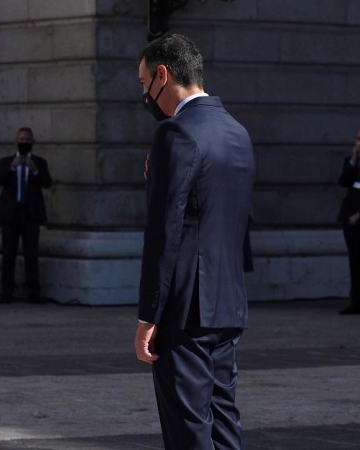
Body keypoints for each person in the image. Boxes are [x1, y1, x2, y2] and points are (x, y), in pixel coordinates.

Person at [132, 34, 255, 450]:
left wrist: (149, 313)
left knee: (188, 432)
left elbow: (164, 230)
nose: (144, 94)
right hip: (227, 302)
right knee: (223, 422)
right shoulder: (236, 131)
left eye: (144, 81)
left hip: (184, 310)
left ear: (163, 75)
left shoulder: (176, 134)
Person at [0, 127, 52, 303]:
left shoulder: (40, 162)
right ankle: (6, 293)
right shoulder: (7, 161)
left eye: (27, 139)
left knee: (31, 255)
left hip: (31, 215)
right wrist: (11, 167)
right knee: (8, 255)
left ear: (33, 143)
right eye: (21, 139)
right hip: (11, 214)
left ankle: (34, 294)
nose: (24, 142)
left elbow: (48, 182)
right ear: (16, 141)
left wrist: (35, 171)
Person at [337, 127, 360, 315]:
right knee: (354, 260)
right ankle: (355, 301)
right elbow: (343, 181)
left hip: (357, 217)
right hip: (349, 218)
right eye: (356, 138)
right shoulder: (351, 162)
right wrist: (353, 160)